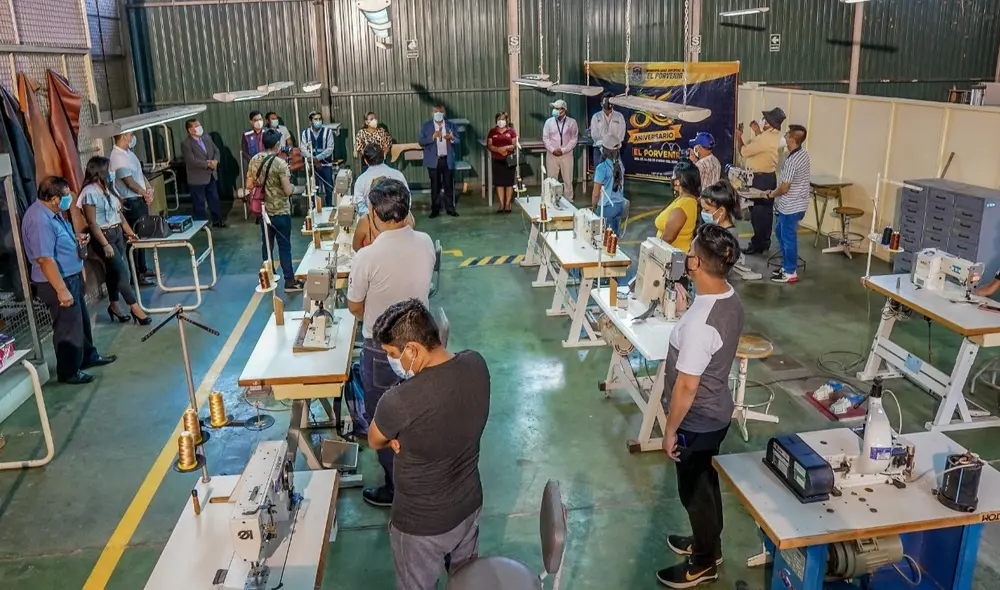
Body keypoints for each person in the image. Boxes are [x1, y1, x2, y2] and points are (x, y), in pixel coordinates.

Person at [368, 298, 491, 590]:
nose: (391, 361)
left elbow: (374, 439)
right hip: (469, 507)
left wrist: (398, 436)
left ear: (412, 349)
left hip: (420, 526)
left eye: (392, 353)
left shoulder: (399, 401)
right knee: (465, 581)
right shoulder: (476, 363)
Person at [657, 223, 744, 589]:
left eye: (690, 254)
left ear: (698, 265)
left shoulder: (700, 324)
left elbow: (687, 386)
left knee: (693, 491)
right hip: (717, 412)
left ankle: (704, 562)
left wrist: (671, 430)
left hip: (698, 420)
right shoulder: (728, 297)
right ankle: (710, 544)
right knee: (706, 481)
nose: (686, 259)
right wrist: (686, 310)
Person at [347, 179, 436, 508]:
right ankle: (423, 474)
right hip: (421, 345)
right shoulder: (425, 242)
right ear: (407, 208)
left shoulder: (367, 257)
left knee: (383, 417)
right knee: (416, 412)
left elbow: (355, 307)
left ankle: (397, 488)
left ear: (372, 212)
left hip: (382, 350)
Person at [22, 177, 117, 384]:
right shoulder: (39, 220)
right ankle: (69, 371)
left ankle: (87, 357)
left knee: (79, 321)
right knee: (67, 327)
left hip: (69, 277)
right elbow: (45, 260)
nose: (69, 200)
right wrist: (62, 290)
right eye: (66, 196)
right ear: (55, 199)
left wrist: (74, 238)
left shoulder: (52, 213)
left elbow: (56, 241)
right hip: (57, 282)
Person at [77, 157, 151, 326]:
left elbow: (119, 214)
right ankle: (135, 308)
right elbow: (92, 223)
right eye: (109, 169)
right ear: (100, 171)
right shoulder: (89, 192)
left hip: (117, 233)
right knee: (122, 272)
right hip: (103, 236)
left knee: (113, 272)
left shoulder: (109, 189)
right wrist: (105, 244)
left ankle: (114, 306)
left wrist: (130, 232)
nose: (112, 172)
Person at [246, 129, 303, 292]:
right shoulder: (280, 164)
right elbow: (287, 190)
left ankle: (269, 276)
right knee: (284, 246)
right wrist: (292, 187)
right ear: (278, 145)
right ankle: (289, 281)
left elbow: (249, 185)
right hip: (280, 211)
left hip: (264, 212)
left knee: (267, 245)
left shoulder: (254, 160)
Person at [735, 107, 785, 255]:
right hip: (769, 178)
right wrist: (757, 131)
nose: (762, 121)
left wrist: (739, 136)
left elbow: (743, 151)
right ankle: (764, 242)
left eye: (765, 119)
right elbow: (763, 146)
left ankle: (757, 244)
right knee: (766, 213)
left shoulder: (765, 138)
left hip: (759, 180)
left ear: (769, 123)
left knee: (757, 214)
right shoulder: (773, 136)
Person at [767, 124, 811, 284]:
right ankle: (786, 266)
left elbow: (785, 187)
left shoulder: (793, 160)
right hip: (796, 204)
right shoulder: (804, 154)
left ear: (793, 139)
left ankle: (790, 271)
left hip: (791, 207)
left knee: (788, 238)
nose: (784, 136)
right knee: (780, 232)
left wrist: (771, 194)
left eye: (787, 134)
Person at [110, 131, 155, 287]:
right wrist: (143, 193)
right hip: (132, 202)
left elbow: (139, 175)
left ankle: (143, 268)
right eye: (131, 134)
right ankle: (136, 275)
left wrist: (148, 189)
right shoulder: (117, 157)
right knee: (134, 237)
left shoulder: (129, 153)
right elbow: (129, 182)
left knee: (142, 236)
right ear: (123, 136)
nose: (133, 137)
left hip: (140, 199)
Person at [181, 119, 226, 228]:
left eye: (199, 125)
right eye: (196, 126)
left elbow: (216, 151)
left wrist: (215, 161)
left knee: (214, 198)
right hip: (197, 178)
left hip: (210, 175)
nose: (199, 127)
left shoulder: (207, 137)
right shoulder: (186, 144)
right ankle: (201, 224)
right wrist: (207, 164)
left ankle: (217, 220)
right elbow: (191, 161)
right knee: (199, 202)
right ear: (190, 130)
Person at [418, 105, 460, 218]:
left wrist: (452, 139)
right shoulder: (426, 126)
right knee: (435, 186)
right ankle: (435, 209)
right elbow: (421, 141)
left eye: (441, 112)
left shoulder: (451, 125)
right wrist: (432, 137)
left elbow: (458, 140)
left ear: (444, 113)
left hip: (447, 159)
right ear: (432, 114)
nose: (438, 113)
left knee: (448, 186)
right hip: (433, 160)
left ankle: (450, 208)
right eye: (436, 112)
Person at [655, 161, 701, 253]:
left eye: (673, 176)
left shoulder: (683, 206)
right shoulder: (686, 199)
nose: (671, 178)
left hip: (670, 258)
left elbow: (667, 238)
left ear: (677, 182)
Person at [354, 142, 408, 218]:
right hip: (397, 220)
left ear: (365, 161)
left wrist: (374, 218)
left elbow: (359, 205)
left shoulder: (361, 180)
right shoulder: (398, 175)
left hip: (372, 224)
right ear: (384, 156)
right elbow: (407, 199)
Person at [542, 99, 579, 202]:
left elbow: (574, 139)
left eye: (558, 108)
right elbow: (545, 138)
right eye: (555, 108)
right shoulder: (548, 122)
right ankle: (551, 199)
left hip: (566, 155)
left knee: (568, 180)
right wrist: (553, 150)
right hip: (552, 155)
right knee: (551, 179)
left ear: (564, 110)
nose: (555, 110)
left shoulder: (572, 122)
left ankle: (569, 200)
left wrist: (563, 150)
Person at [591, 134, 627, 234]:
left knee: (603, 240)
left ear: (604, 150)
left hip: (606, 208)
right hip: (620, 206)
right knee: (614, 238)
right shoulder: (620, 165)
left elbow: (596, 193)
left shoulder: (601, 168)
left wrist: (593, 206)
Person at [300, 110, 337, 207]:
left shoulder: (327, 132)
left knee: (329, 187)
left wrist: (318, 158)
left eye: (320, 119)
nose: (318, 121)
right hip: (312, 165)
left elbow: (330, 148)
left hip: (325, 165)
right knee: (312, 188)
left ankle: (330, 207)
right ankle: (314, 208)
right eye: (316, 119)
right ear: (310, 121)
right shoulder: (306, 133)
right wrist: (313, 160)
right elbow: (303, 149)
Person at [486, 111, 518, 213]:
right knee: (499, 183)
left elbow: (514, 145)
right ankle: (501, 204)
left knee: (509, 183)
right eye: (499, 119)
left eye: (503, 119)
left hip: (509, 160)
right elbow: (489, 145)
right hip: (497, 159)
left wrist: (506, 148)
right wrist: (498, 150)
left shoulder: (511, 131)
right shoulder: (492, 132)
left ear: (506, 120)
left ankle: (508, 204)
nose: (501, 121)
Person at [590, 95, 626, 165]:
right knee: (600, 173)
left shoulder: (619, 116)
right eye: (606, 101)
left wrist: (613, 146)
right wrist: (604, 146)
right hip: (599, 149)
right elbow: (595, 135)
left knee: (615, 173)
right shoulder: (596, 116)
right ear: (601, 104)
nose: (608, 104)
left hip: (615, 150)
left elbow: (621, 134)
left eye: (610, 102)